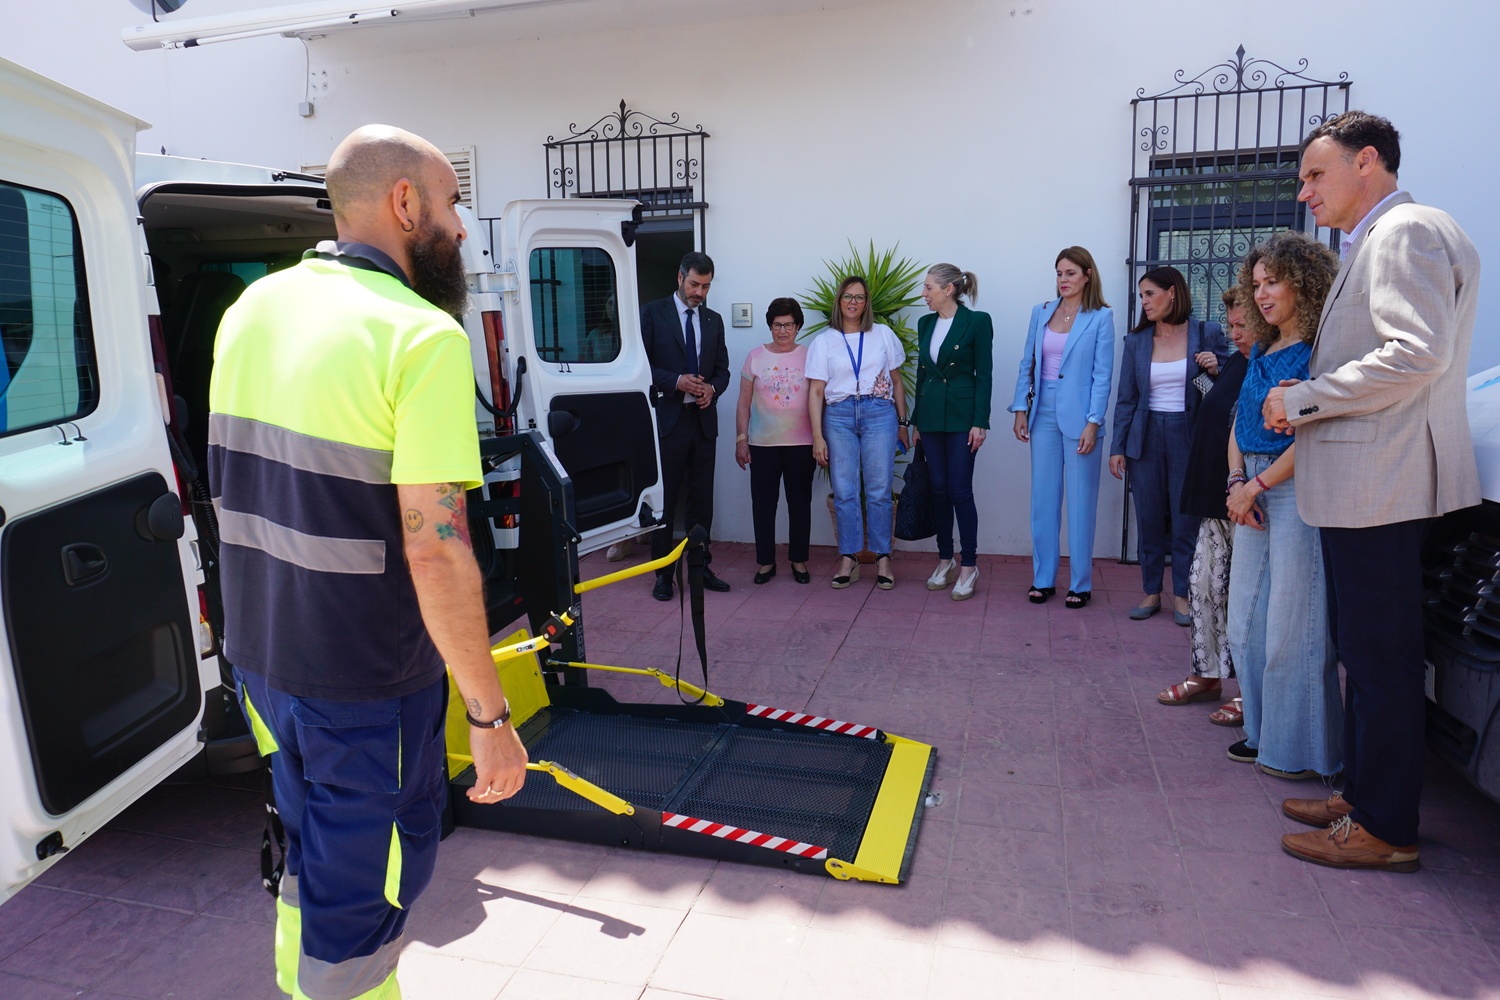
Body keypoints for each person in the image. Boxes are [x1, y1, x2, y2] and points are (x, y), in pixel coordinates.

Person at [208, 125, 529, 1000]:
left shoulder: (253, 310)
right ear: (405, 204)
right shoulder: (419, 336)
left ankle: (298, 981)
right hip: (365, 685)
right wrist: (491, 719)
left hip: (266, 662)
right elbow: (435, 546)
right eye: (454, 204)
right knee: (371, 891)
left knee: (310, 854)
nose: (462, 229)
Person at [1268, 112, 1480, 872]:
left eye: (1315, 175)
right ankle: (1364, 798)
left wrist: (1305, 400)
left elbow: (1414, 354)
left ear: (1367, 163)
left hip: (1381, 482)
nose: (1304, 194)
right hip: (1377, 480)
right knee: (1369, 651)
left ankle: (1386, 827)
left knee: (1382, 658)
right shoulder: (1400, 232)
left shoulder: (1404, 231)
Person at [1220, 233, 1344, 787]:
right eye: (1257, 285)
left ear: (1305, 282)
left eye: (1274, 281)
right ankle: (1263, 734)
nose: (1263, 294)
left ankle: (1301, 752)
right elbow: (1238, 425)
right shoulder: (1260, 349)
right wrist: (1237, 481)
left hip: (1292, 489)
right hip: (1251, 485)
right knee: (1245, 621)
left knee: (1295, 627)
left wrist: (1257, 484)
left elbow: (1314, 436)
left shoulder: (1322, 352)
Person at [1110, 266, 1228, 624]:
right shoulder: (1137, 342)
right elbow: (1126, 399)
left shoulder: (1206, 333)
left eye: (1150, 294)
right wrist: (1118, 446)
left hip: (1187, 434)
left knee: (1184, 519)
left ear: (1172, 293)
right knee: (1147, 517)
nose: (1144, 302)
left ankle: (1181, 594)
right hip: (1145, 435)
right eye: (1142, 296)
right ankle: (1150, 592)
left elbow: (1228, 387)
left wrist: (1215, 369)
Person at [1157, 287, 1254, 718]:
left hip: (1249, 503)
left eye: (1242, 325)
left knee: (1245, 598)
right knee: (1203, 587)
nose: (1235, 333)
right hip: (1216, 498)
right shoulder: (1238, 361)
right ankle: (1206, 675)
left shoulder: (1271, 364)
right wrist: (1208, 372)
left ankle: (1251, 693)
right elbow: (1213, 402)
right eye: (1231, 325)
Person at [1011, 247, 1113, 608]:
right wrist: (1020, 407)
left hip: (1081, 417)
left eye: (1070, 273)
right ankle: (1043, 578)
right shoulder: (1041, 313)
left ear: (1087, 274)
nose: (1063, 280)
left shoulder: (1100, 317)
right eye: (1059, 273)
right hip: (1043, 414)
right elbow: (1028, 362)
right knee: (1044, 499)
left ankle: (1081, 583)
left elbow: (1103, 375)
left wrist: (1093, 421)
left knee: (1081, 503)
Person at [807, 274, 911, 590]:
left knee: (879, 489)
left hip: (879, 414)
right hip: (838, 416)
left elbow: (896, 382)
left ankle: (882, 558)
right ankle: (849, 558)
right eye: (848, 297)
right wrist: (817, 436)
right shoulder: (823, 341)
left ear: (867, 303)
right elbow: (815, 393)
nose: (854, 302)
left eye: (860, 297)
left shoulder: (883, 335)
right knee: (845, 489)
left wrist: (904, 423)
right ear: (838, 301)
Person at [641, 251, 732, 600]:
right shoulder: (651, 313)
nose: (699, 292)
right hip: (668, 423)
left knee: (701, 501)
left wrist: (713, 388)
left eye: (706, 286)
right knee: (665, 501)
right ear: (679, 278)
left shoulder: (713, 320)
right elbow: (641, 366)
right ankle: (662, 574)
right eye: (694, 284)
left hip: (704, 423)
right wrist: (675, 381)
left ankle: (700, 566)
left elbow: (722, 369)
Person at [912, 263, 993, 601]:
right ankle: (945, 559)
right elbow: (921, 374)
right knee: (939, 490)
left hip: (962, 418)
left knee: (960, 490)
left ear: (948, 289)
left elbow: (984, 373)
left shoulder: (977, 321)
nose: (924, 294)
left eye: (929, 287)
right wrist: (915, 420)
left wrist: (980, 421)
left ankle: (969, 564)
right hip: (931, 417)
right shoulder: (925, 322)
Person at [735, 297, 815, 585]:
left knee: (799, 503)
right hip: (762, 444)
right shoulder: (755, 356)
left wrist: (821, 439)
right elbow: (743, 403)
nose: (783, 331)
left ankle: (798, 560)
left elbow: (820, 400)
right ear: (770, 327)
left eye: (789, 325)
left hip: (801, 444)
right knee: (764, 504)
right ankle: (766, 561)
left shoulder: (810, 356)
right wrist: (741, 439)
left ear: (798, 327)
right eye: (777, 325)